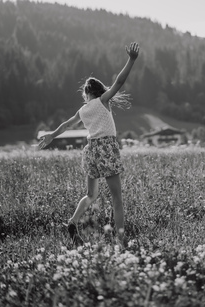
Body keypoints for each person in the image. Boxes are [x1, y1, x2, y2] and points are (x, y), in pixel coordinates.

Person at [38, 42, 140, 247]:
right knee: (117, 199)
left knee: (91, 194)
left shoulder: (83, 110)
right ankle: (121, 241)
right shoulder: (103, 101)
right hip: (106, 149)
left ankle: (73, 221)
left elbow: (67, 125)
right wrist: (131, 60)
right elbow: (119, 82)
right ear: (98, 90)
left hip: (91, 151)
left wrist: (51, 136)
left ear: (86, 94)